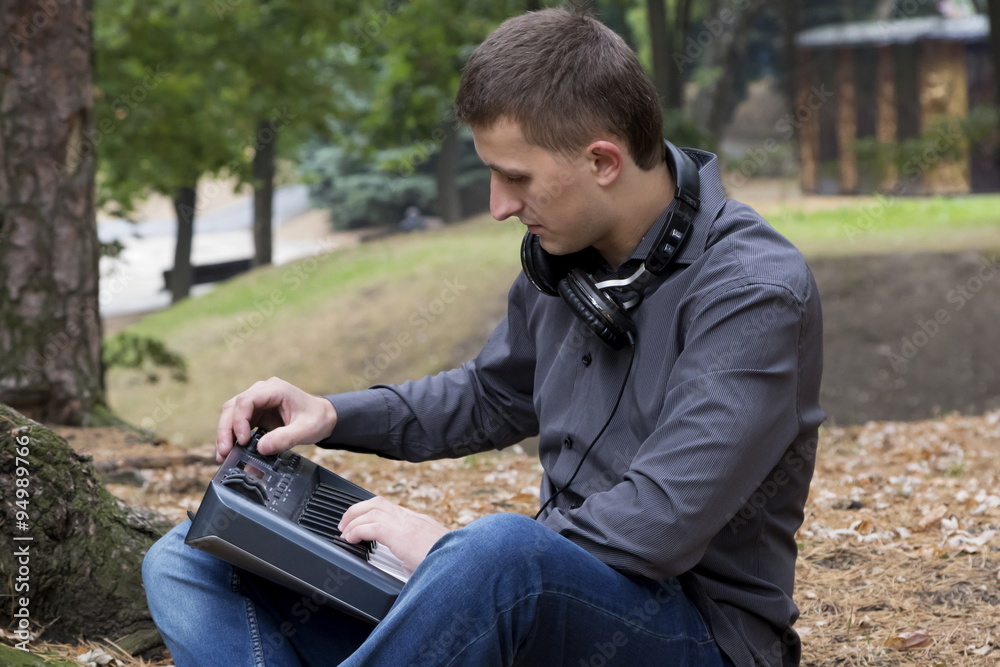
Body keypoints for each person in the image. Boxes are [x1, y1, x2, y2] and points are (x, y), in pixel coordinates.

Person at [142, 8, 823, 667]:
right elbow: (489, 396)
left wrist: (450, 554)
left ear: (603, 161)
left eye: (515, 178)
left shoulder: (754, 292)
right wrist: (331, 413)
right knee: (191, 556)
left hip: (695, 633)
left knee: (498, 552)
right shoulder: (564, 257)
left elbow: (660, 520)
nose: (499, 206)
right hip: (517, 600)